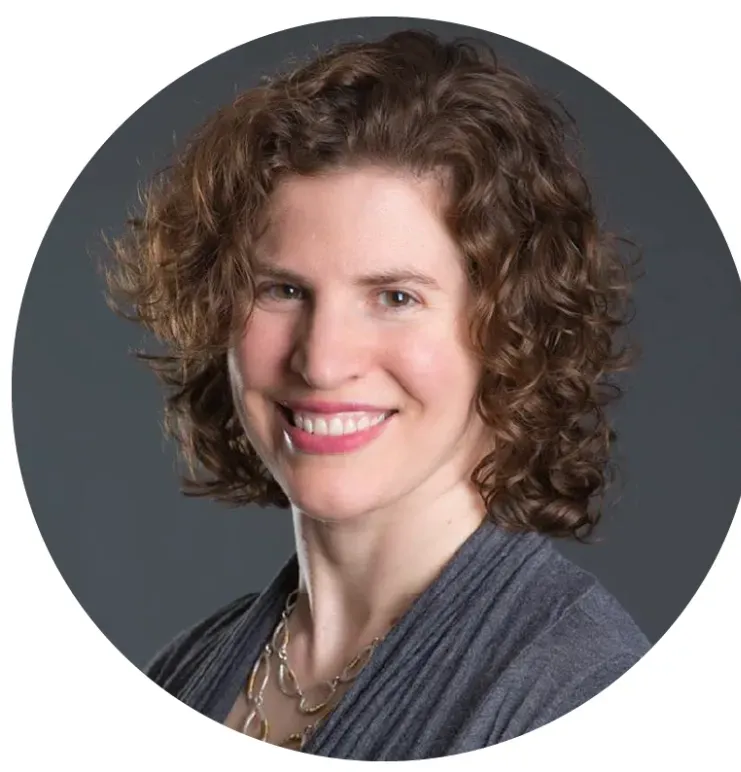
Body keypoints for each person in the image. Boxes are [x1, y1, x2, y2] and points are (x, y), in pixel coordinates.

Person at [103, 29, 649, 760]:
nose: (323, 361)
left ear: (512, 330)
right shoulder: (183, 673)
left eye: (395, 297)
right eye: (283, 289)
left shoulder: (579, 690)